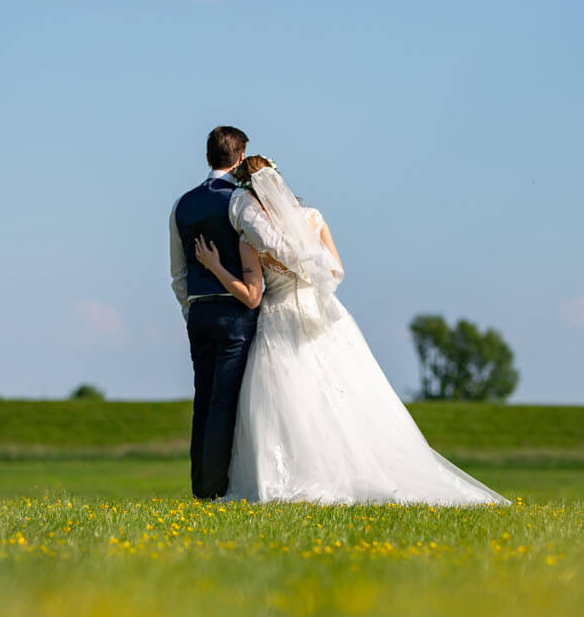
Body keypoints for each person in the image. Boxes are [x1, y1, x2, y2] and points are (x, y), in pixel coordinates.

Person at [192, 153, 508, 507]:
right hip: (323, 314)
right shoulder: (313, 219)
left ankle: (297, 475)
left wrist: (215, 266)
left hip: (279, 318)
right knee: (347, 394)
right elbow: (336, 271)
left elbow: (252, 295)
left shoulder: (250, 238)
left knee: (288, 400)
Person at [169, 126, 290, 500]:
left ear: (208, 157)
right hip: (235, 311)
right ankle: (215, 488)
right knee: (224, 402)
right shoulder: (239, 201)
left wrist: (190, 308)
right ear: (240, 159)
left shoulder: (181, 205)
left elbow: (177, 272)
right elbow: (273, 244)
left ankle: (200, 486)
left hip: (199, 311)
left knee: (203, 399)